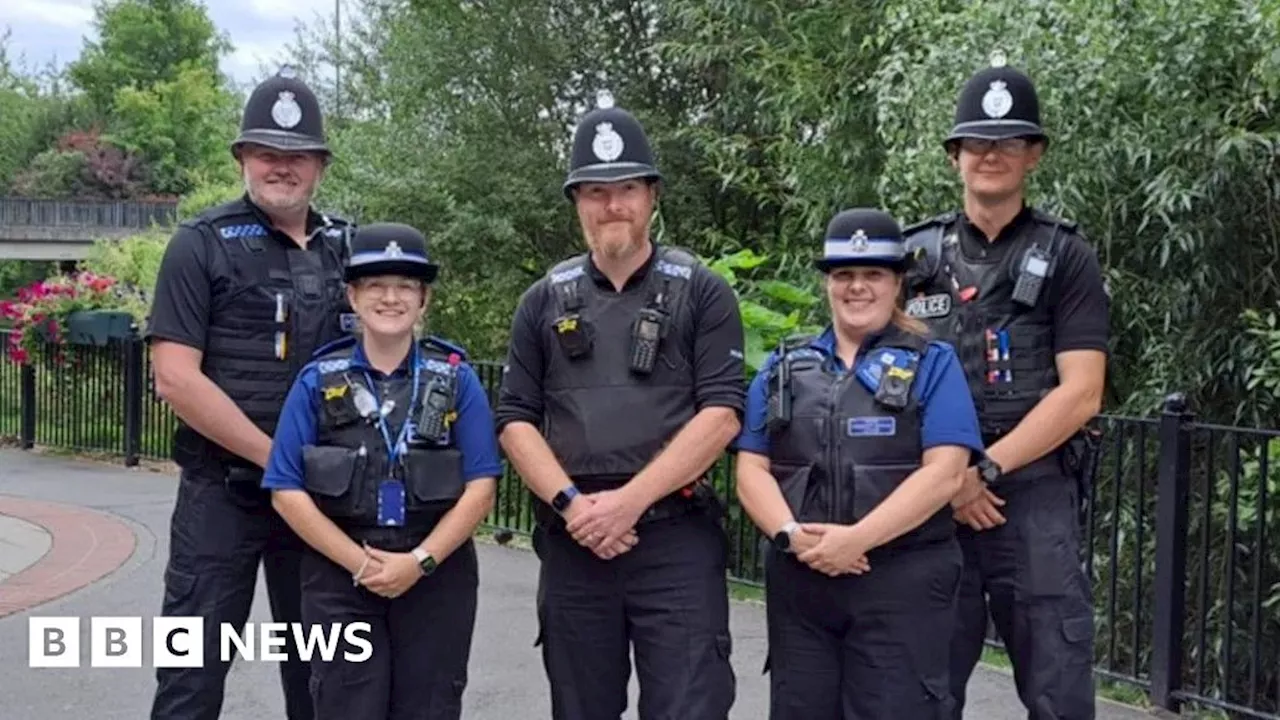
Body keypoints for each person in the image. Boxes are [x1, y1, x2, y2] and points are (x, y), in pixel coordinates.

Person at [493, 100, 746, 720]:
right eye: (596, 191)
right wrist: (576, 508)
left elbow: (722, 414)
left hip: (674, 543)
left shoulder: (703, 292)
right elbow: (515, 419)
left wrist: (628, 502)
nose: (612, 205)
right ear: (577, 201)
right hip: (575, 541)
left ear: (652, 196)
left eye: (626, 188)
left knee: (690, 707)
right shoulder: (542, 301)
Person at [902, 55, 1110, 720]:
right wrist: (952, 478)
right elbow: (881, 380)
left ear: (1034, 156)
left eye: (1010, 143)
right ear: (955, 155)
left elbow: (1081, 393)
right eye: (979, 143)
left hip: (1033, 497)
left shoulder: (1067, 256)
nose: (992, 155)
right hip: (931, 496)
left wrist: (984, 469)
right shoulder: (910, 258)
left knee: (1058, 690)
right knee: (920, 688)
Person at [145, 66, 353, 720]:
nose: (281, 167)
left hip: (319, 503)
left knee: (322, 681)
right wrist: (278, 459)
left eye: (297, 156)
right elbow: (175, 377)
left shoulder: (351, 249)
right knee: (191, 677)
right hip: (222, 496)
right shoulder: (198, 245)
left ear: (320, 164)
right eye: (267, 153)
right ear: (242, 158)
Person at [735, 207, 985, 719]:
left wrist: (857, 539)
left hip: (901, 580)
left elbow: (945, 473)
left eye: (873, 274)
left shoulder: (932, 363)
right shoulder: (784, 368)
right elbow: (751, 469)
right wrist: (788, 534)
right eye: (844, 275)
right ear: (828, 283)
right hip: (802, 583)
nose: (857, 287)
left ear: (898, 284)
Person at [261, 222, 500, 719]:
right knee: (345, 704)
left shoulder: (456, 379)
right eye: (375, 285)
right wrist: (361, 564)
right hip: (340, 578)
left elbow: (482, 487)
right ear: (352, 295)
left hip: (436, 576)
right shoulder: (316, 381)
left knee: (430, 707)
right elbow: (286, 490)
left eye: (406, 285)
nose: (391, 297)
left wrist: (420, 562)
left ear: (424, 298)